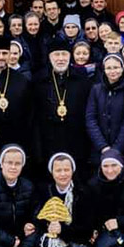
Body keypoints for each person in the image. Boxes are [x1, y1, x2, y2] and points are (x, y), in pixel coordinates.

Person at [33, 39, 92, 171]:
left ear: (70, 56)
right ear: (49, 57)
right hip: (48, 143)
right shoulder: (38, 81)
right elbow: (34, 117)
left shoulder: (82, 80)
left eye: (64, 54)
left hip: (76, 142)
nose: (61, 59)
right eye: (56, 54)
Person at [86, 53, 124, 166]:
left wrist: (116, 149)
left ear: (123, 68)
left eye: (116, 67)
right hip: (99, 148)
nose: (113, 71)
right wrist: (102, 146)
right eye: (109, 68)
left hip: (122, 149)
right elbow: (90, 119)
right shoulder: (96, 89)